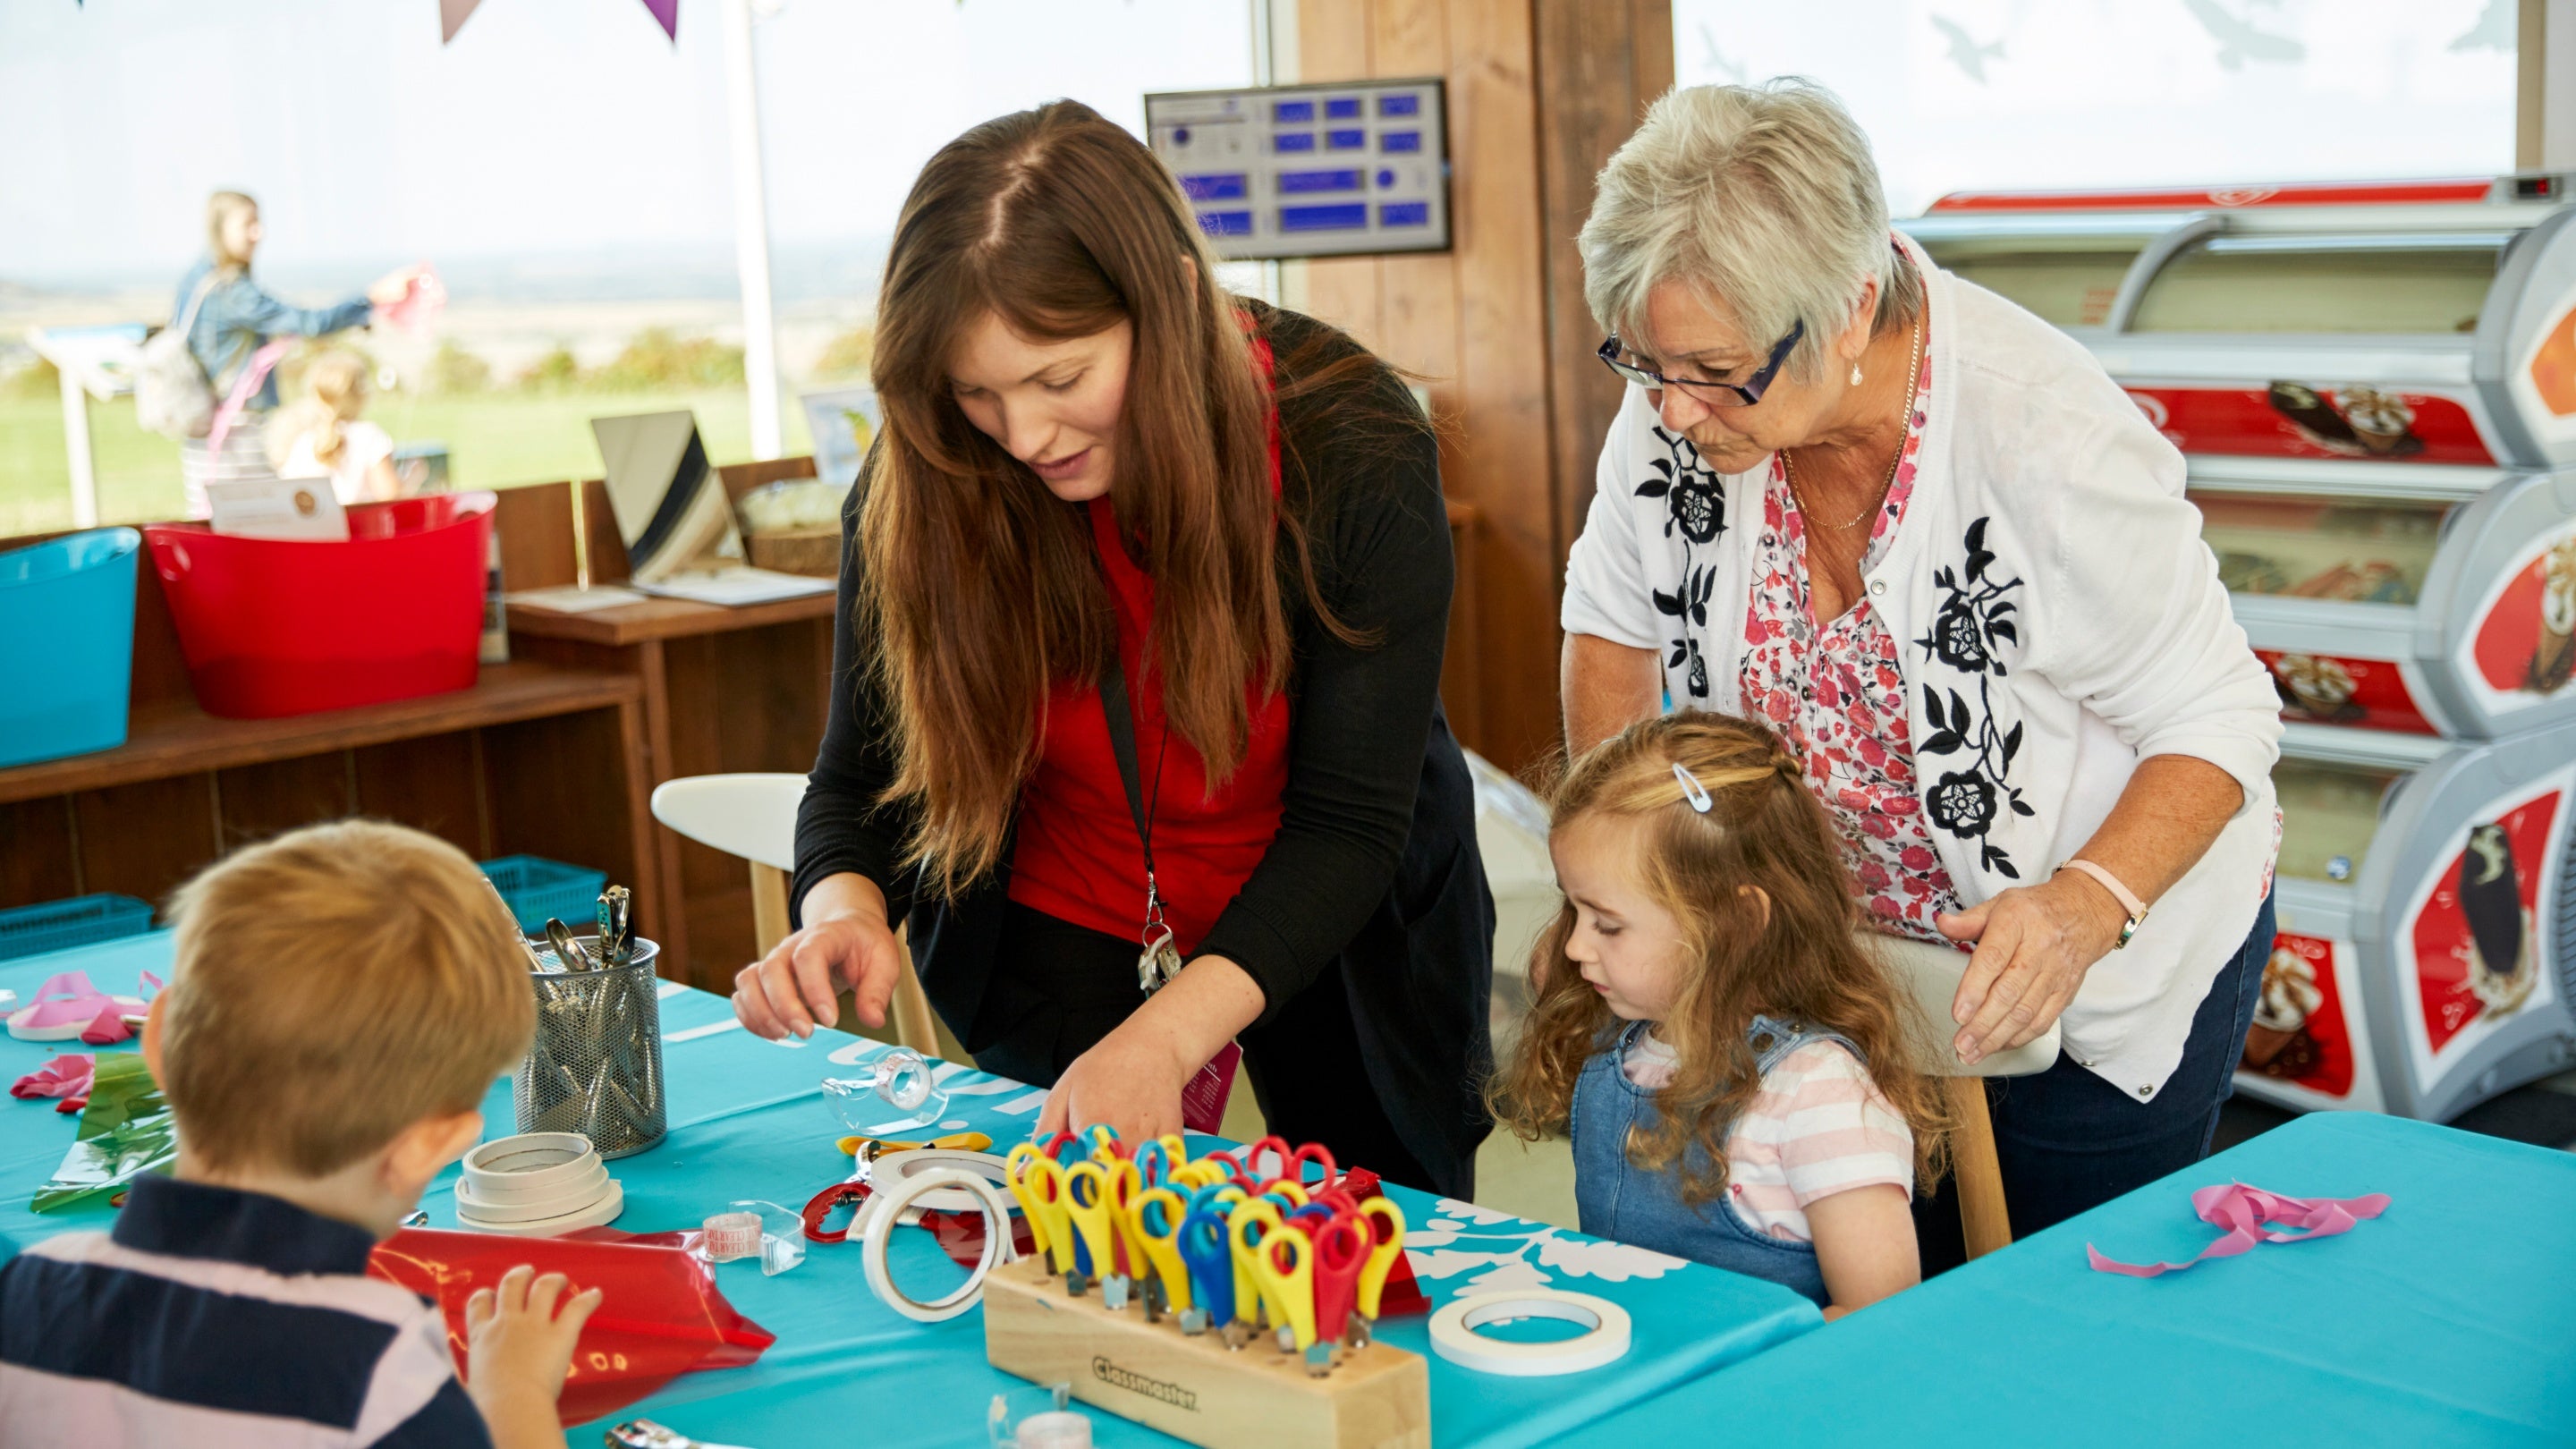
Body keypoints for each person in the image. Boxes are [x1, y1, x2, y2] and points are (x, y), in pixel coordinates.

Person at [1557, 80, 2282, 1270]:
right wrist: (1631, 866)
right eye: (1642, 364)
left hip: (2066, 974)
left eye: (1711, 372)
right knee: (1873, 1283)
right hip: (1822, 970)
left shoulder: (2044, 438)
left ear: (1849, 310)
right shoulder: (1678, 399)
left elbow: (2217, 716)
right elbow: (1613, 617)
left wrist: (2086, 904)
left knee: (2046, 1311)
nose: (1672, 411)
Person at [730, 101, 1493, 1198]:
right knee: (1082, 1251)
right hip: (1067, 921)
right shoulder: (928, 478)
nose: (1025, 436)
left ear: (1170, 302)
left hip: (1334, 924)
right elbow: (864, 779)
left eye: (1060, 379)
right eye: (978, 392)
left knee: (1369, 1262)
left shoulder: (1353, 443)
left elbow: (1349, 824)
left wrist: (1171, 1034)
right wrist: (841, 909)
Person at [0, 821, 597, 1448]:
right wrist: (516, 1395)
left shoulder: (29, 1286)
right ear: (433, 1144)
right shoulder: (382, 1374)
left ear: (159, 1044)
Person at [1491, 712, 1946, 1317]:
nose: (1574, 946)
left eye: (1607, 924)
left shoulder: (1817, 1096)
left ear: (1734, 926)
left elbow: (1878, 1313)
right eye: (1572, 910)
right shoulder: (1622, 1049)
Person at [174, 191, 417, 517]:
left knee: (216, 531)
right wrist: (372, 298)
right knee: (256, 533)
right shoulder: (232, 290)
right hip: (237, 439)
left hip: (203, 440)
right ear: (220, 228)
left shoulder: (196, 280)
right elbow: (309, 324)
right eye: (248, 223)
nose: (258, 233)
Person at [267, 350, 401, 504]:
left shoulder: (306, 440)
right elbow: (390, 497)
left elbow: (286, 495)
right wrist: (412, 479)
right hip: (361, 527)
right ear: (362, 394)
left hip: (320, 527)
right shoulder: (370, 435)